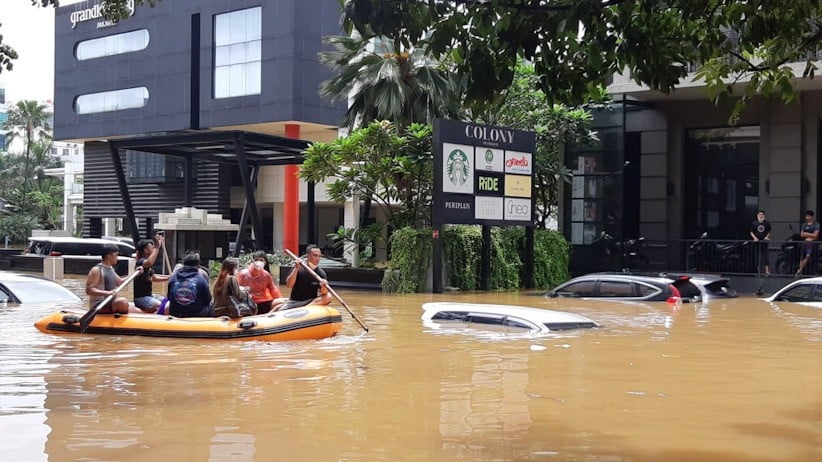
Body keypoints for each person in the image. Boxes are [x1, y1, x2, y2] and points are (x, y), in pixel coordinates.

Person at [86, 244, 143, 314]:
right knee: (122, 302)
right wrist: (108, 293)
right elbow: (89, 290)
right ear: (109, 256)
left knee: (138, 309)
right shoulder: (96, 270)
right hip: (100, 305)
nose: (117, 258)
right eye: (116, 255)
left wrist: (135, 274)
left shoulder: (110, 268)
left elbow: (120, 282)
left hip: (111, 303)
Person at [167, 251, 213, 317]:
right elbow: (208, 299)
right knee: (211, 307)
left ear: (184, 265)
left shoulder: (172, 278)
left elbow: (169, 297)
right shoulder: (201, 280)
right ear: (198, 266)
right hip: (196, 313)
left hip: (175, 312)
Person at [133, 233, 171, 312]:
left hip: (149, 295)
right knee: (159, 305)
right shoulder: (141, 262)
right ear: (145, 250)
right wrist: (157, 247)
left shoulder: (148, 265)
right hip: (141, 298)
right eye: (152, 247)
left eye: (154, 247)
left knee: (167, 301)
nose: (153, 249)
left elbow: (154, 278)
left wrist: (168, 277)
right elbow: (149, 262)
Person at [796, 210, 819, 277]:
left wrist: (807, 234)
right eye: (806, 216)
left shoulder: (816, 224)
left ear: (812, 217)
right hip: (805, 242)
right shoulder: (804, 224)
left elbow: (815, 235)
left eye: (808, 216)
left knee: (808, 256)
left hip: (811, 243)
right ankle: (800, 272)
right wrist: (810, 234)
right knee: (801, 257)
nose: (807, 217)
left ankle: (799, 270)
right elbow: (802, 234)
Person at [749, 210, 771, 275]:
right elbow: (751, 232)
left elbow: (769, 231)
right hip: (757, 242)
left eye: (762, 214)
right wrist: (754, 238)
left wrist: (766, 237)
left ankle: (767, 272)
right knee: (757, 257)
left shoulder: (766, 223)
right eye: (759, 214)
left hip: (764, 242)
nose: (761, 216)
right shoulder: (754, 223)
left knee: (766, 256)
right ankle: (758, 272)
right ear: (757, 216)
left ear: (764, 216)